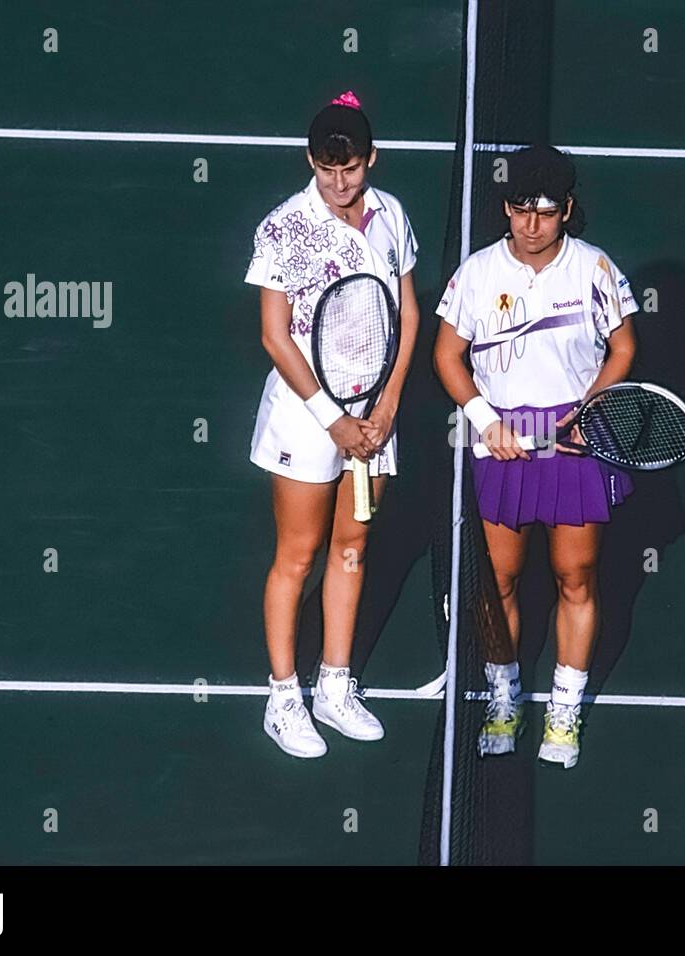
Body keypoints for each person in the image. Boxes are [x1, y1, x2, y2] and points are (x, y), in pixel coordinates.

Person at [432, 145, 638, 769]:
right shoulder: (476, 273)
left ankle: (565, 708)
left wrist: (590, 410)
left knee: (575, 579)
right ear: (506, 208)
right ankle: (505, 696)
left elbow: (623, 348)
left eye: (545, 213)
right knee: (496, 584)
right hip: (502, 440)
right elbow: (447, 355)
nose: (530, 225)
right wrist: (483, 419)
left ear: (567, 211)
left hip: (575, 442)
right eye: (520, 210)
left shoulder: (595, 270)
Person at [244, 91, 419, 759]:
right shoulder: (283, 228)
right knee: (297, 555)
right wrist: (333, 420)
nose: (339, 183)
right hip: (305, 414)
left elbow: (406, 314)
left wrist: (387, 407)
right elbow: (274, 337)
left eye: (350, 169)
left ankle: (334, 687)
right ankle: (283, 698)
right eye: (325, 169)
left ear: (370, 159)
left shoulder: (392, 215)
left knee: (352, 549)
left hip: (375, 411)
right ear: (310, 161)